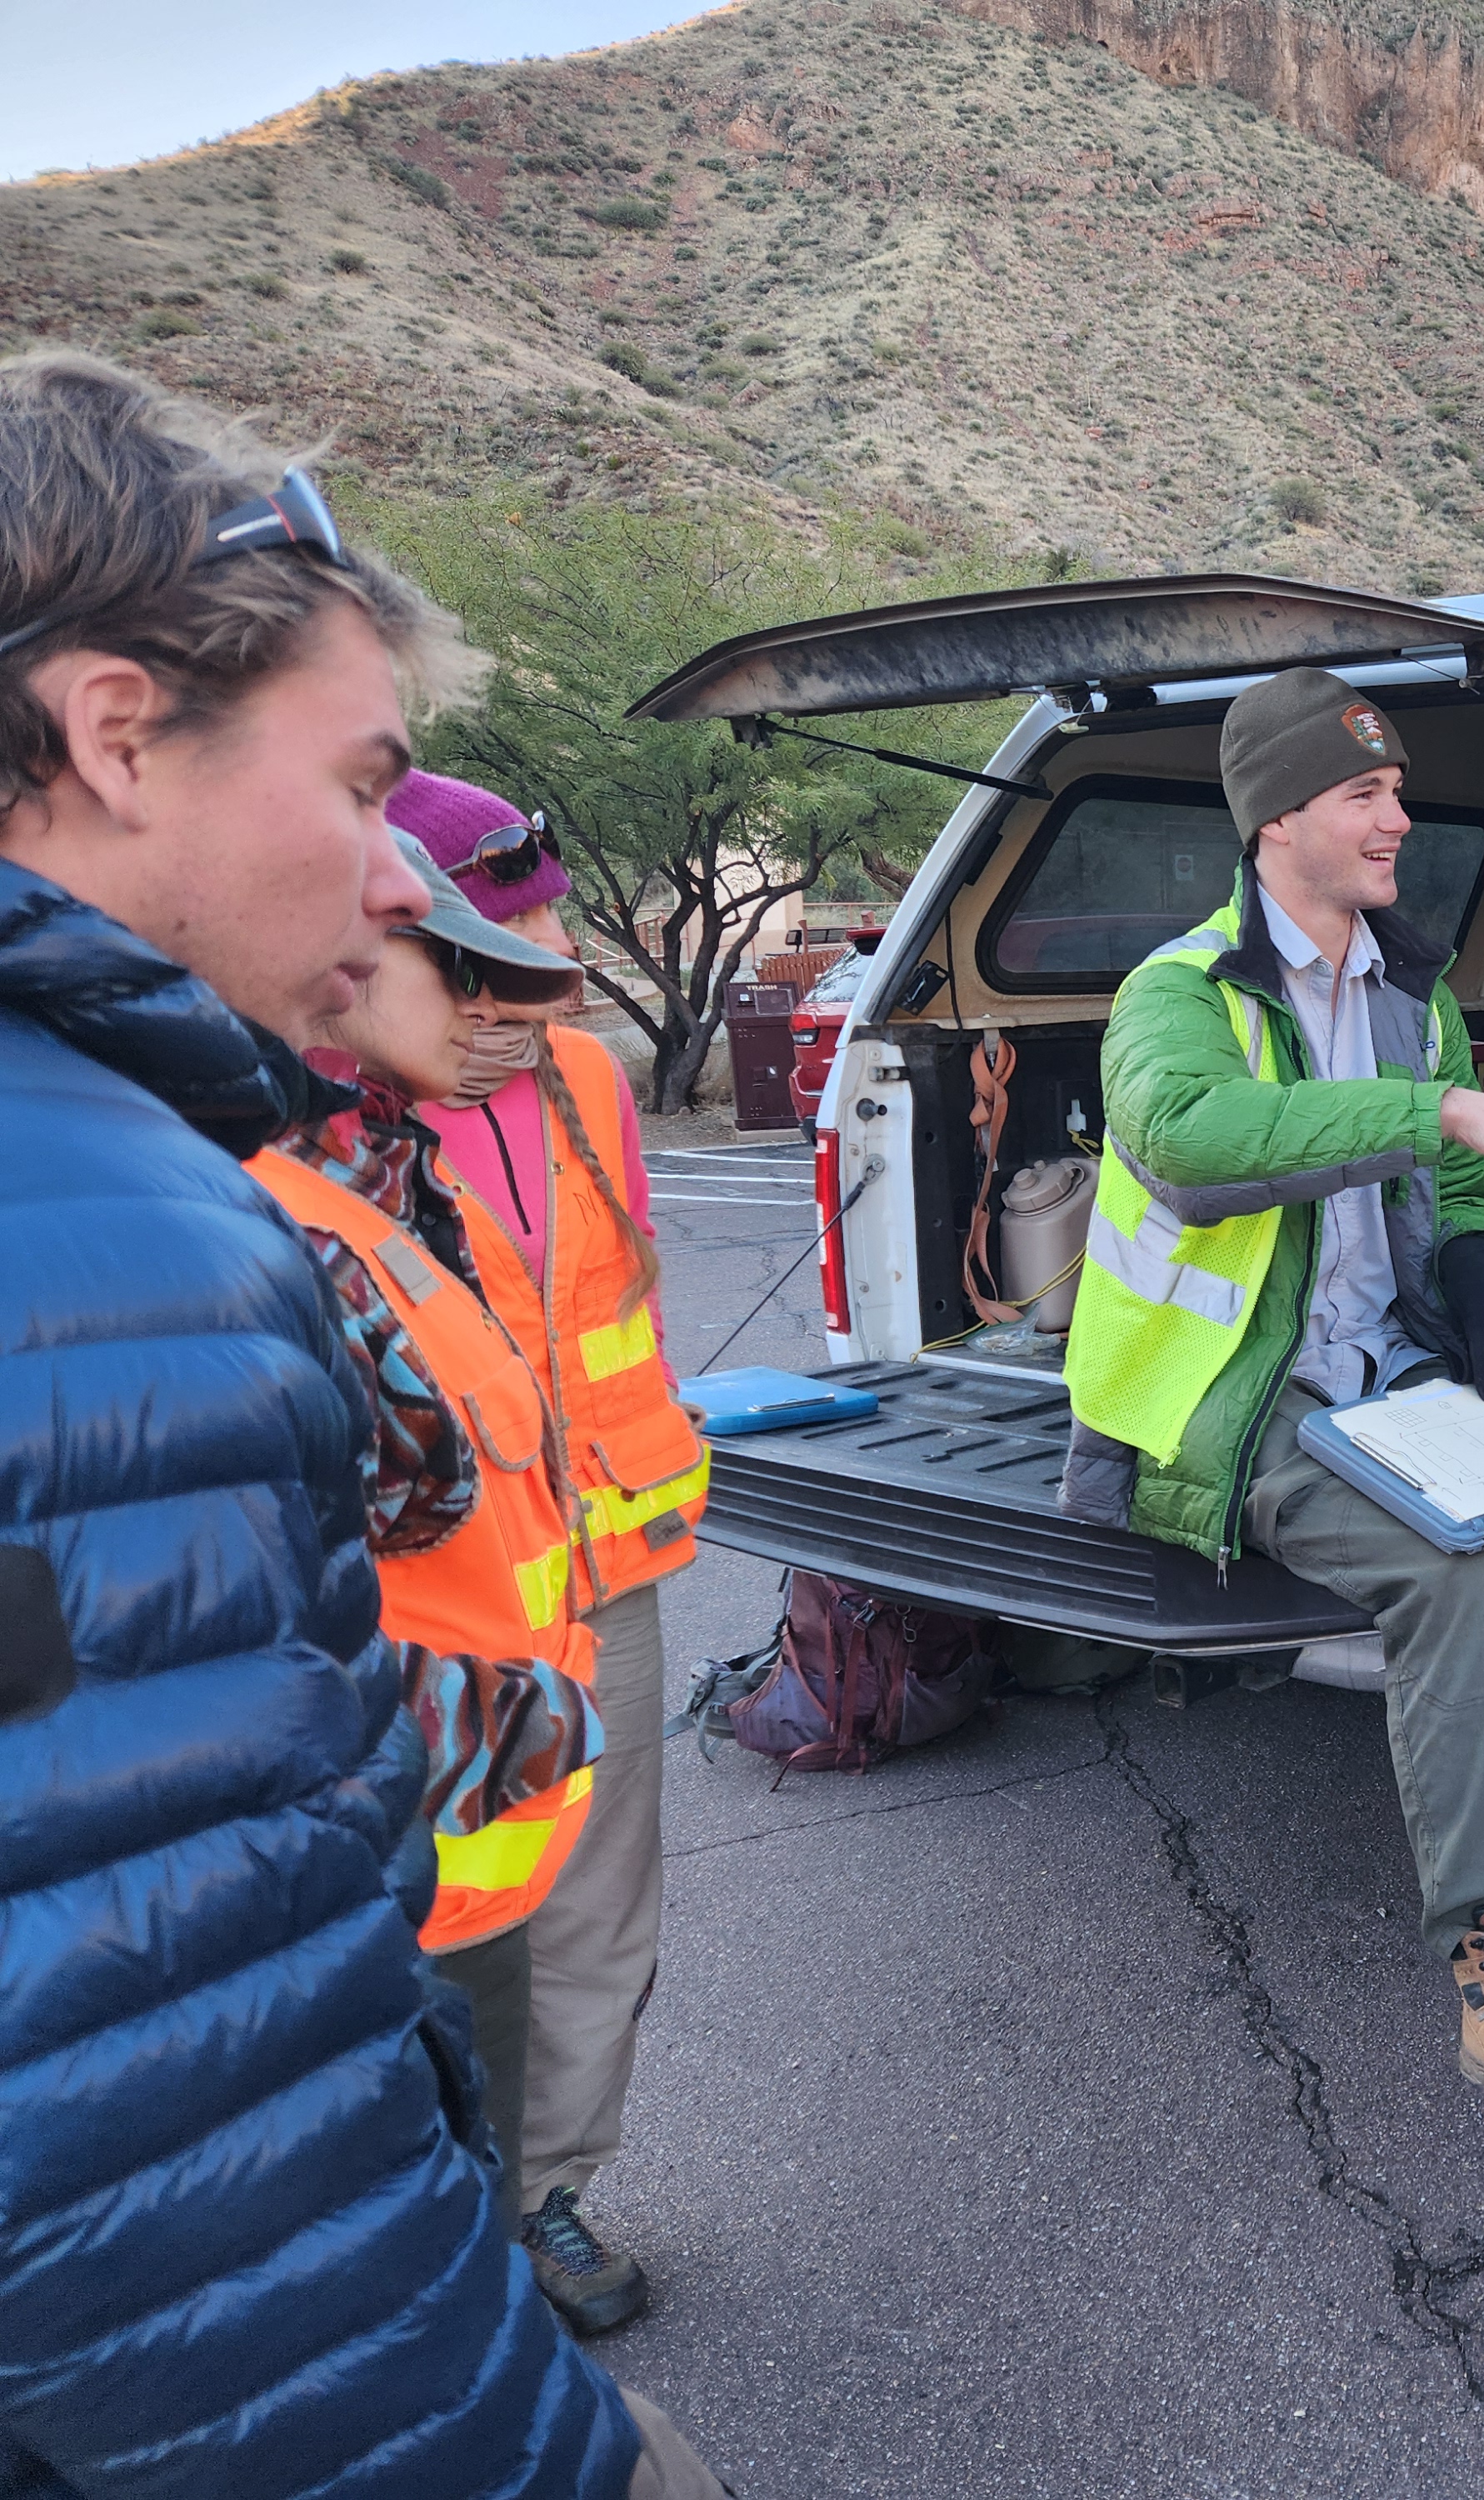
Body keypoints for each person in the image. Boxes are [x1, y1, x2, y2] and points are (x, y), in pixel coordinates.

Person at [0, 348, 718, 2494]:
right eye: (360, 785)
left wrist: (353, 1714)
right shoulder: (118, 1223)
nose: (400, 882)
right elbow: (161, 2126)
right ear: (118, 733)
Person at [1057, 666, 1484, 2120]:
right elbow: (1192, 1140)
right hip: (1231, 1402)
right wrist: (1439, 1108)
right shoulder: (1177, 994)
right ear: (1277, 821)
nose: (1399, 816)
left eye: (1396, 788)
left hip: (1385, 1373)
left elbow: (1452, 1180)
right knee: (1445, 1574)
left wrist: (1476, 1260)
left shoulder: (1412, 992)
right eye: (1364, 793)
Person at [252, 832, 602, 2251]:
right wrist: (524, 1724)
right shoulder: (256, 1223)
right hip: (379, 1884)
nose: (492, 1006)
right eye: (454, 965)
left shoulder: (371, 1177)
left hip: (461, 1856)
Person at [392, 766, 696, 2338]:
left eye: (554, 927)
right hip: (437, 1605)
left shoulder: (588, 1075)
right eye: (510, 936)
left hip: (605, 1571)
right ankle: (435, 2213)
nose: (555, 961)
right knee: (449, 1912)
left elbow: (614, 1320)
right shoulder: (342, 1113)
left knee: (595, 1909)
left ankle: (548, 2194)